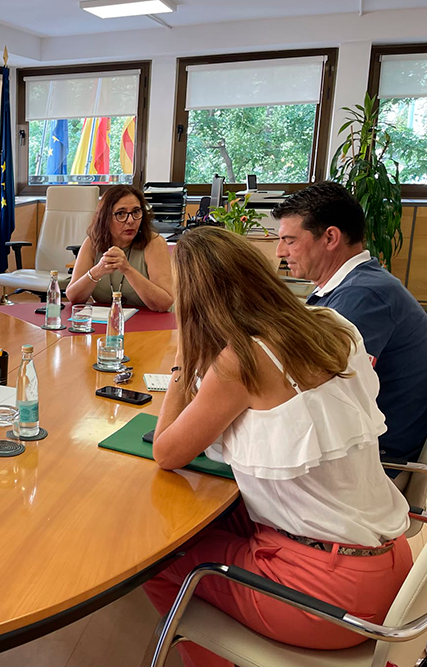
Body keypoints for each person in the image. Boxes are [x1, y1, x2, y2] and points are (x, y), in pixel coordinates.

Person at [144, 227, 412, 667]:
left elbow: (166, 452)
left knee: (159, 560)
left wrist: (183, 358)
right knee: (218, 520)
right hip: (393, 566)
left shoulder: (242, 360)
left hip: (327, 596)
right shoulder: (332, 325)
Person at [274, 181, 427, 467]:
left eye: (290, 240)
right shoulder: (352, 285)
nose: (280, 252)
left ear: (330, 237)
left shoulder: (365, 296)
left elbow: (314, 390)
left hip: (373, 463)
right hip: (354, 444)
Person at [65, 184, 173, 312]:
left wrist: (127, 269)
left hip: (151, 323)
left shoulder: (154, 243)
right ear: (105, 217)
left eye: (136, 212)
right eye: (121, 213)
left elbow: (164, 304)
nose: (130, 220)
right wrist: (97, 271)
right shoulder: (92, 243)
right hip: (106, 324)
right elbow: (74, 297)